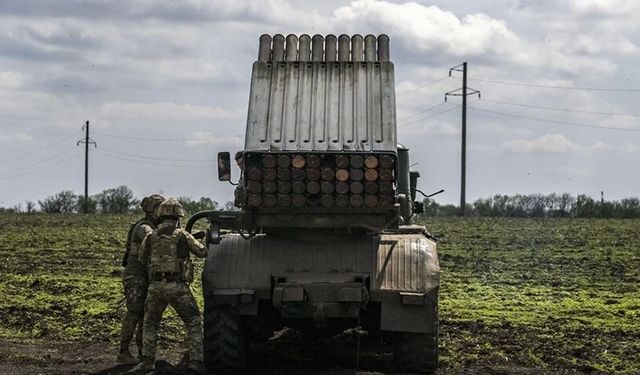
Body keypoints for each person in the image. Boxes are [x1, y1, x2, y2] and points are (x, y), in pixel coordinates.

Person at [134, 198, 207, 373]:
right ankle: (196, 362)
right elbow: (202, 252)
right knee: (193, 322)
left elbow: (142, 257)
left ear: (160, 216)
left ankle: (147, 362)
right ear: (179, 216)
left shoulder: (152, 235)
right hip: (177, 287)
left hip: (156, 286)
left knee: (151, 323)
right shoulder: (182, 235)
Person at [117, 194, 165, 364]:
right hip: (136, 277)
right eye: (160, 208)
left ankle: (142, 352)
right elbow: (151, 237)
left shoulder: (153, 225)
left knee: (146, 315)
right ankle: (123, 351)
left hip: (147, 276)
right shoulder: (143, 227)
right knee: (134, 312)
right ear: (152, 210)